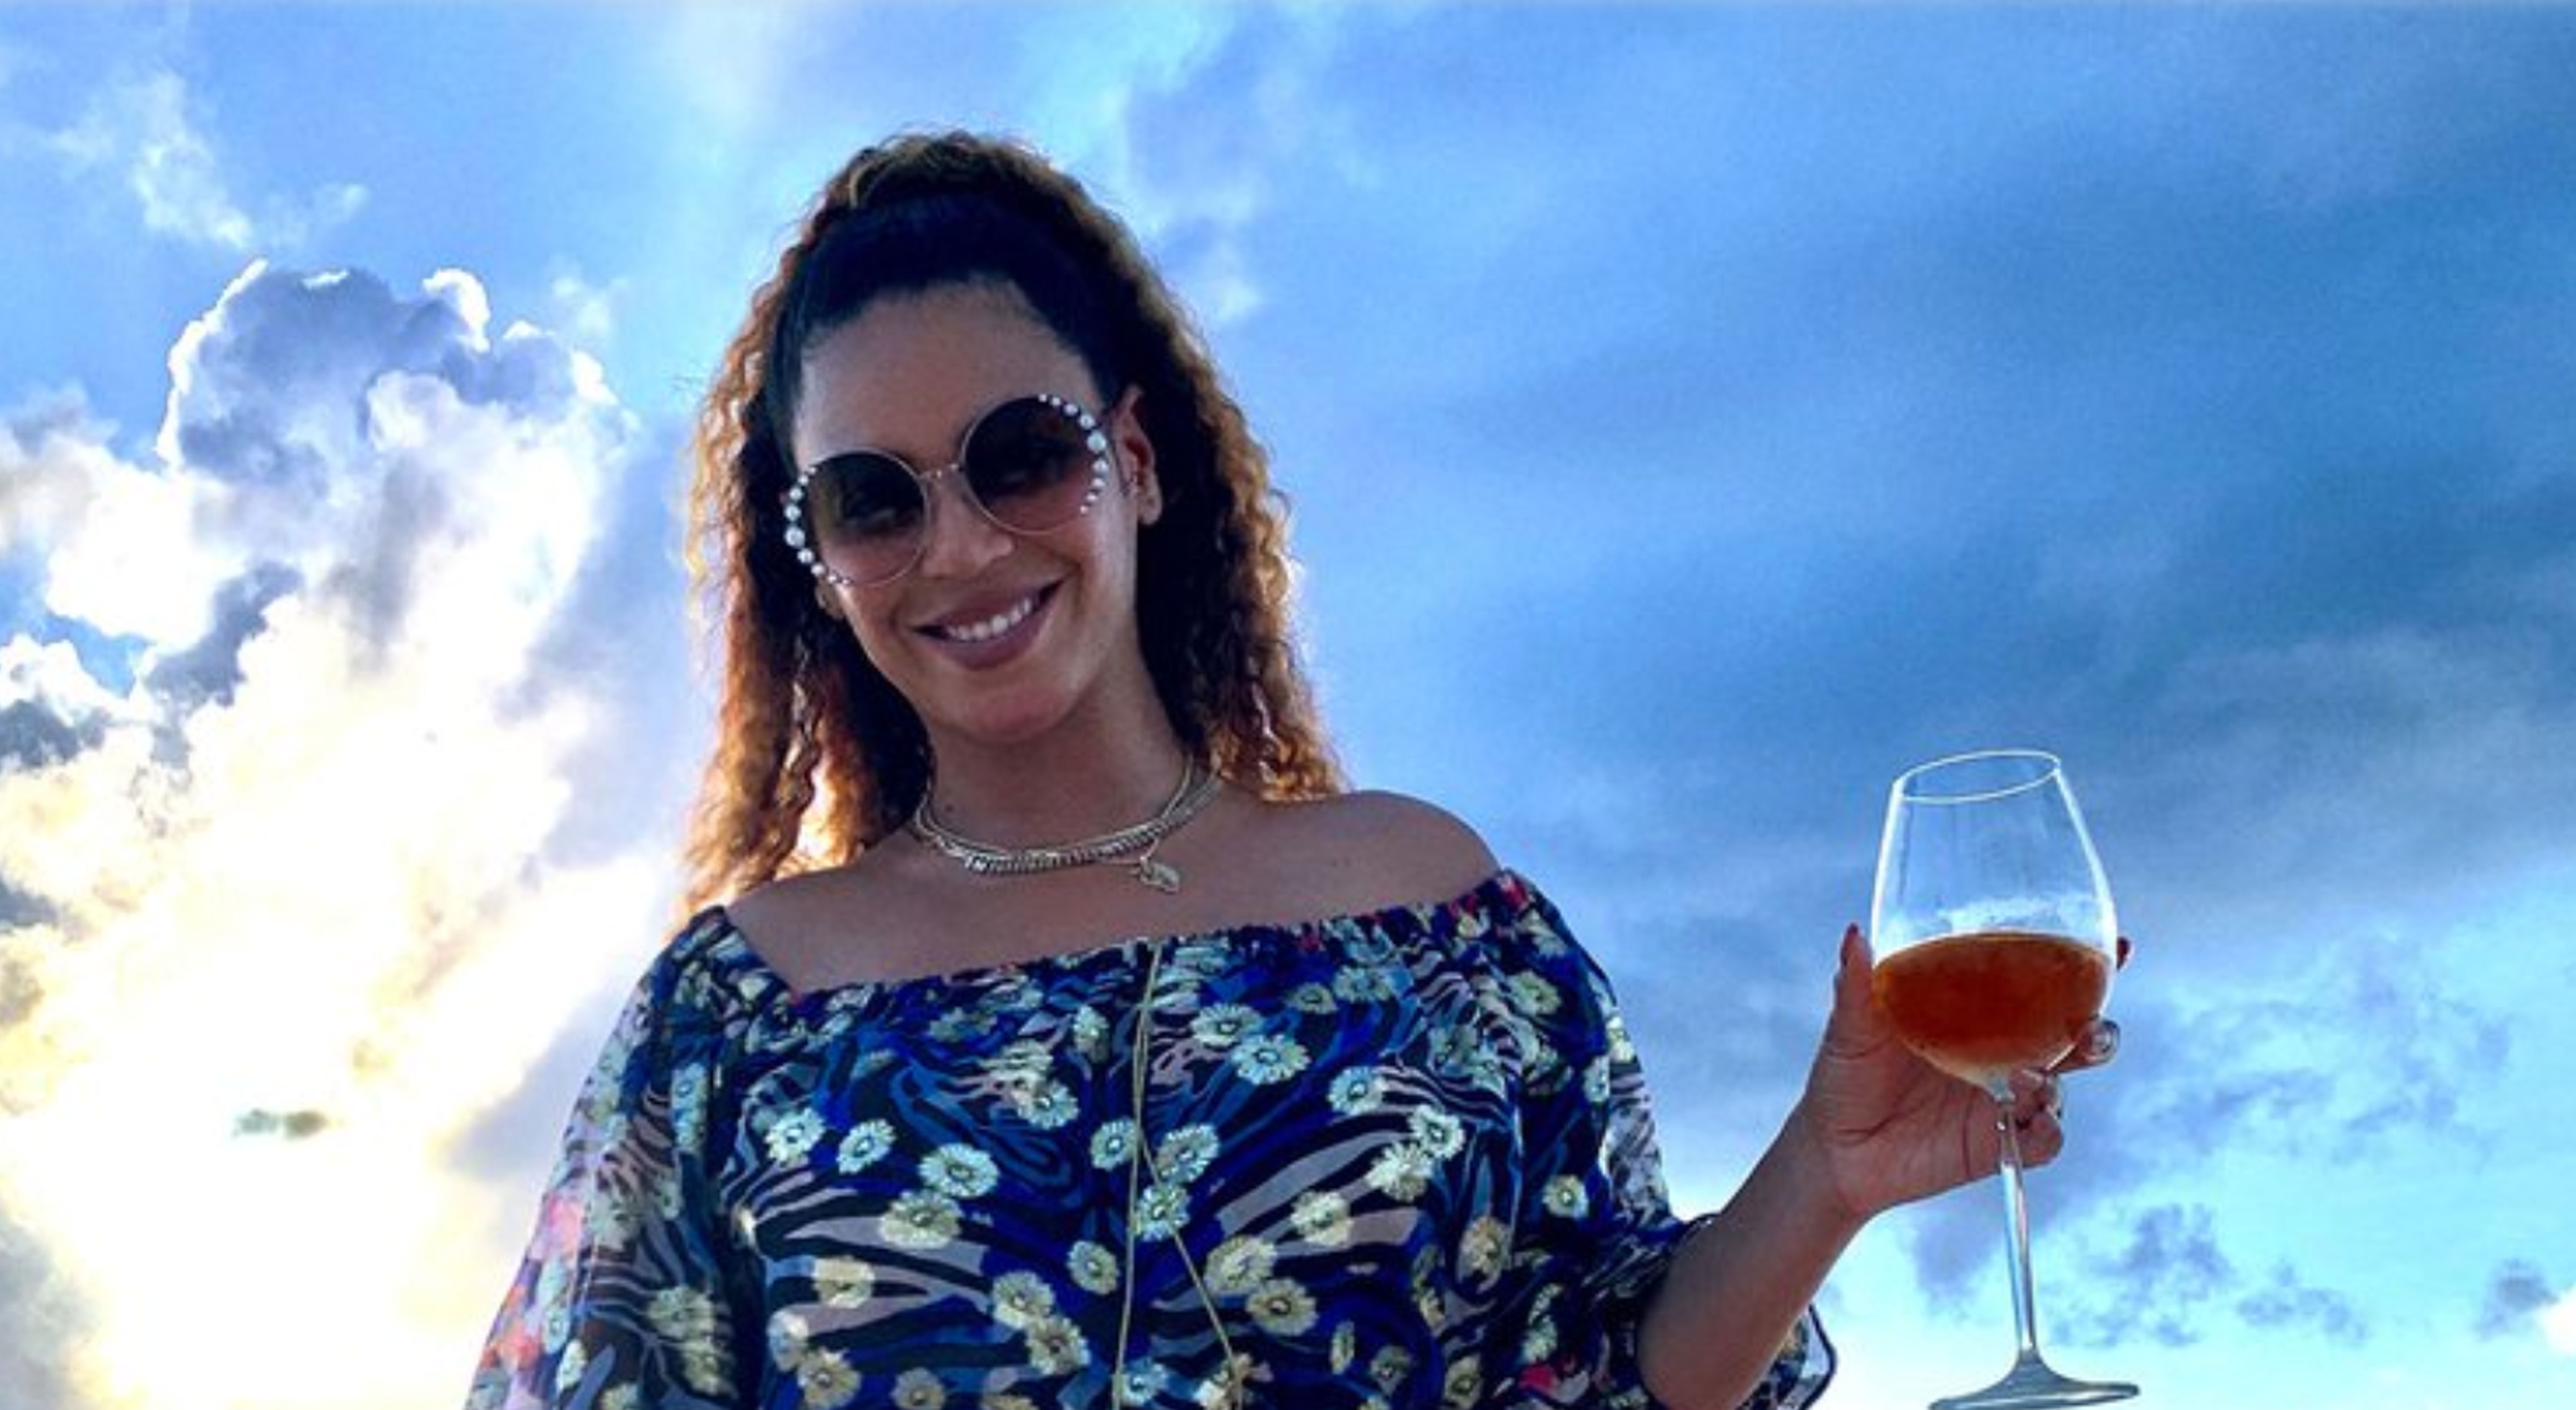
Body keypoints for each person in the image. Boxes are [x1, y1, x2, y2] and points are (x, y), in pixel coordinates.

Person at [464, 130, 2115, 1410]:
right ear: (818, 561)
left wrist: (1825, 1173)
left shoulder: (1438, 915)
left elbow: (1607, 1375)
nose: (956, 545)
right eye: (870, 500)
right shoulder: (734, 1015)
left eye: (1021, 455)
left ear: (1136, 461)